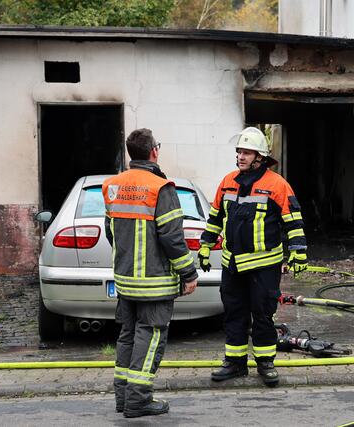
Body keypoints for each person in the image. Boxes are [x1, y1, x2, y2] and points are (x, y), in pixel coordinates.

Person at [198, 127, 308, 387]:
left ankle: (265, 363)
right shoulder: (227, 182)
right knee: (233, 313)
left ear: (260, 157)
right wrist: (205, 245)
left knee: (263, 314)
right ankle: (234, 363)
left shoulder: (277, 185)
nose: (240, 157)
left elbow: (293, 221)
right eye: (239, 152)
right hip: (232, 264)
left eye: (246, 152)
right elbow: (215, 218)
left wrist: (298, 252)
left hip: (264, 265)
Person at [102, 128, 198, 418]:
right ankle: (139, 400)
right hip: (154, 283)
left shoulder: (112, 185)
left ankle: (123, 398)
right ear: (154, 151)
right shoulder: (161, 188)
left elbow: (111, 231)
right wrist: (189, 273)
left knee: (128, 335)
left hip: (125, 280)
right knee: (151, 336)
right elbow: (172, 238)